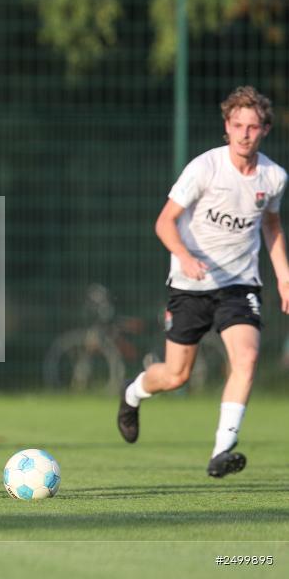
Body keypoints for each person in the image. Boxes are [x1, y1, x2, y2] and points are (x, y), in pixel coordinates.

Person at [117, 86, 289, 477]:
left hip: (239, 285)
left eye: (254, 126)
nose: (245, 133)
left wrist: (284, 276)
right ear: (226, 127)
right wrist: (186, 256)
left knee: (245, 357)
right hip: (190, 284)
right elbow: (164, 221)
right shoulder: (205, 168)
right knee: (177, 376)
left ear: (265, 130)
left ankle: (222, 450)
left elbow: (272, 226)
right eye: (238, 125)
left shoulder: (274, 177)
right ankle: (132, 392)